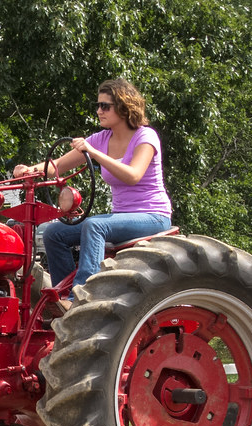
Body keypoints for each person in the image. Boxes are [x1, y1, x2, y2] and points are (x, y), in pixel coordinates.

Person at [14, 78, 172, 309]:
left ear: (124, 106)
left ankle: (81, 298)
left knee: (95, 225)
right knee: (55, 232)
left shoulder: (145, 137)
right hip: (121, 217)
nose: (99, 111)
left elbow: (133, 175)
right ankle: (64, 297)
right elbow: (57, 165)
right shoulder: (101, 139)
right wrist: (31, 170)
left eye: (105, 106)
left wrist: (95, 154)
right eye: (98, 106)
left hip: (152, 216)